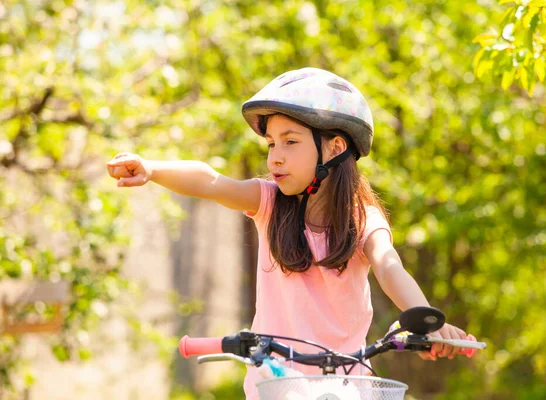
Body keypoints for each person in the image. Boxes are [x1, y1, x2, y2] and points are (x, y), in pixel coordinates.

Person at [107, 67, 472, 399]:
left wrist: (427, 321)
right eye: (271, 144)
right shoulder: (268, 202)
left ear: (335, 147)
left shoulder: (362, 218)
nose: (275, 157)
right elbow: (211, 181)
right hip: (276, 386)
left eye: (290, 141)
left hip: (347, 387)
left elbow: (390, 267)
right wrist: (153, 169)